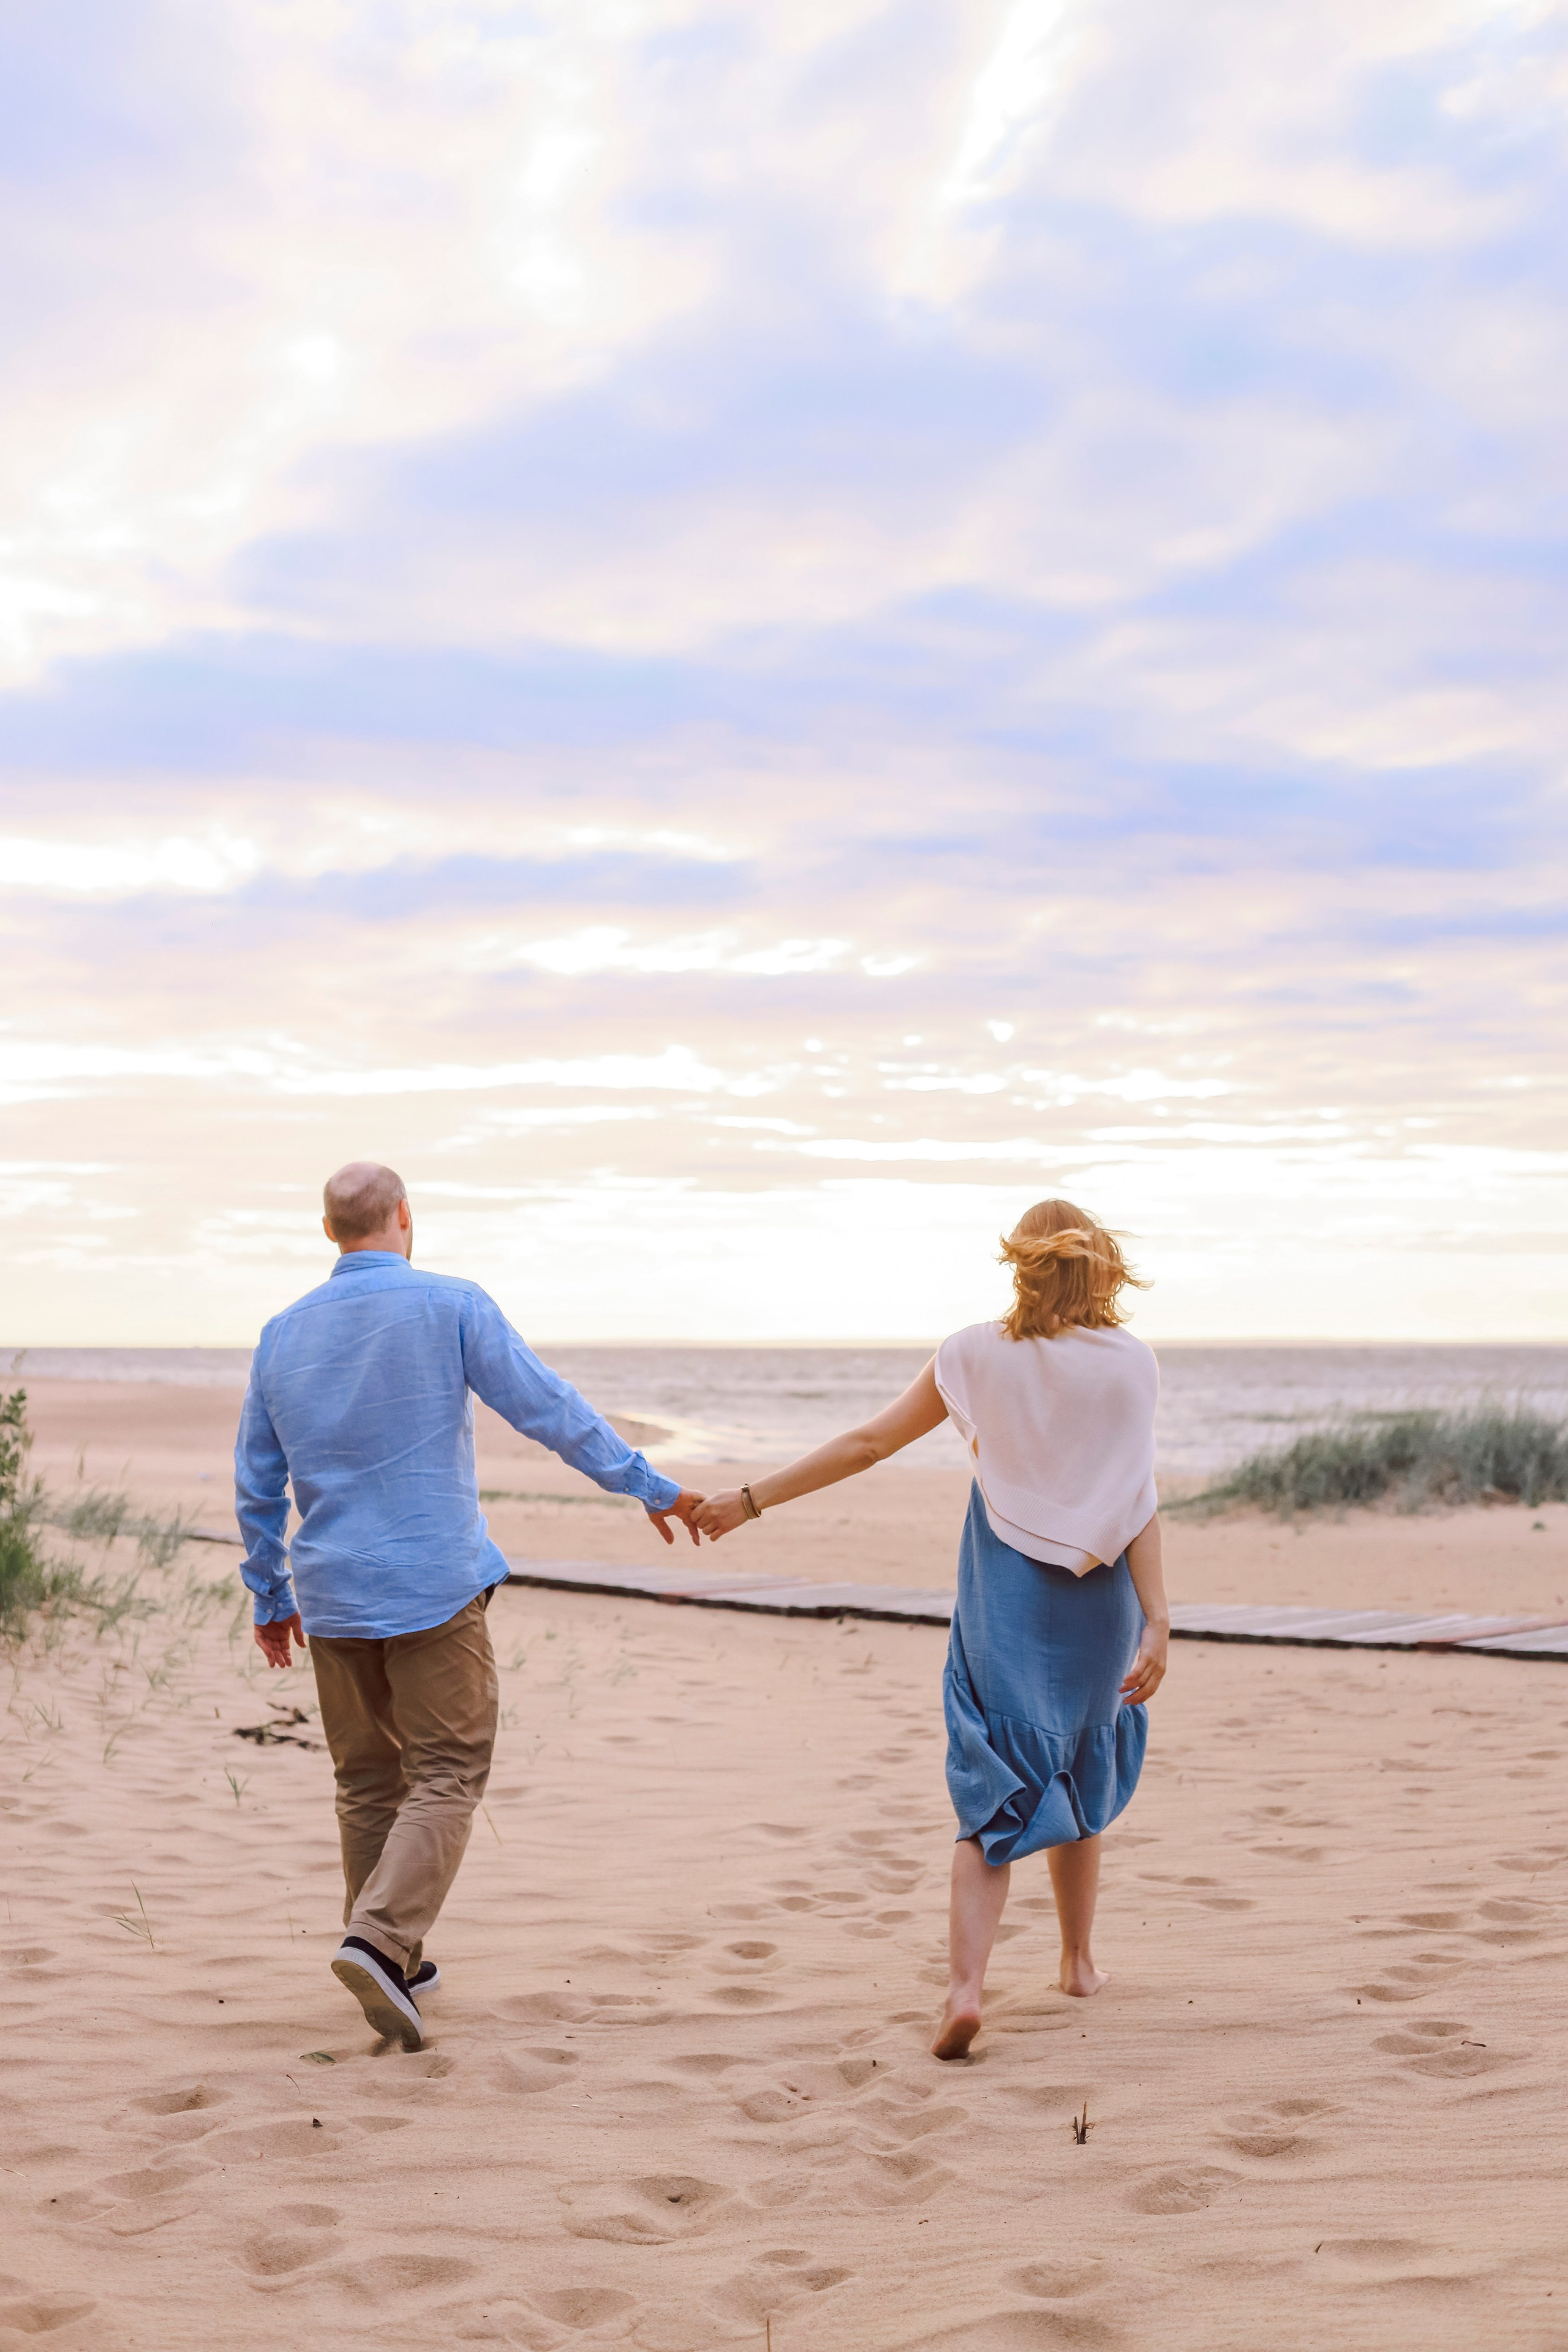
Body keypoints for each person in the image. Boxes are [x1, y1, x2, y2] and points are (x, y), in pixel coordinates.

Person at [234, 1161, 703, 2051]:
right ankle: (380, 1941)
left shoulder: (281, 1333)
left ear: (330, 1230)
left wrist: (269, 1593)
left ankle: (394, 1959)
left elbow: (258, 1482)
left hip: (331, 1591)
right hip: (432, 1585)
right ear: (405, 1216)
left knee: (367, 1781)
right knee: (448, 1771)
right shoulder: (451, 1302)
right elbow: (547, 1408)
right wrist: (647, 1484)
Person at [693, 1197, 1169, 2061]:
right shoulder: (1132, 1363)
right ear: (1102, 1267)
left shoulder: (972, 1352)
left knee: (995, 1780)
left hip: (1005, 1597)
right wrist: (1160, 1619)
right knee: (1080, 1759)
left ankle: (964, 1990)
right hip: (1104, 1601)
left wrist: (751, 1500)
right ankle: (1077, 1965)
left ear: (1021, 1264)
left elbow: (869, 1445)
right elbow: (1138, 1501)